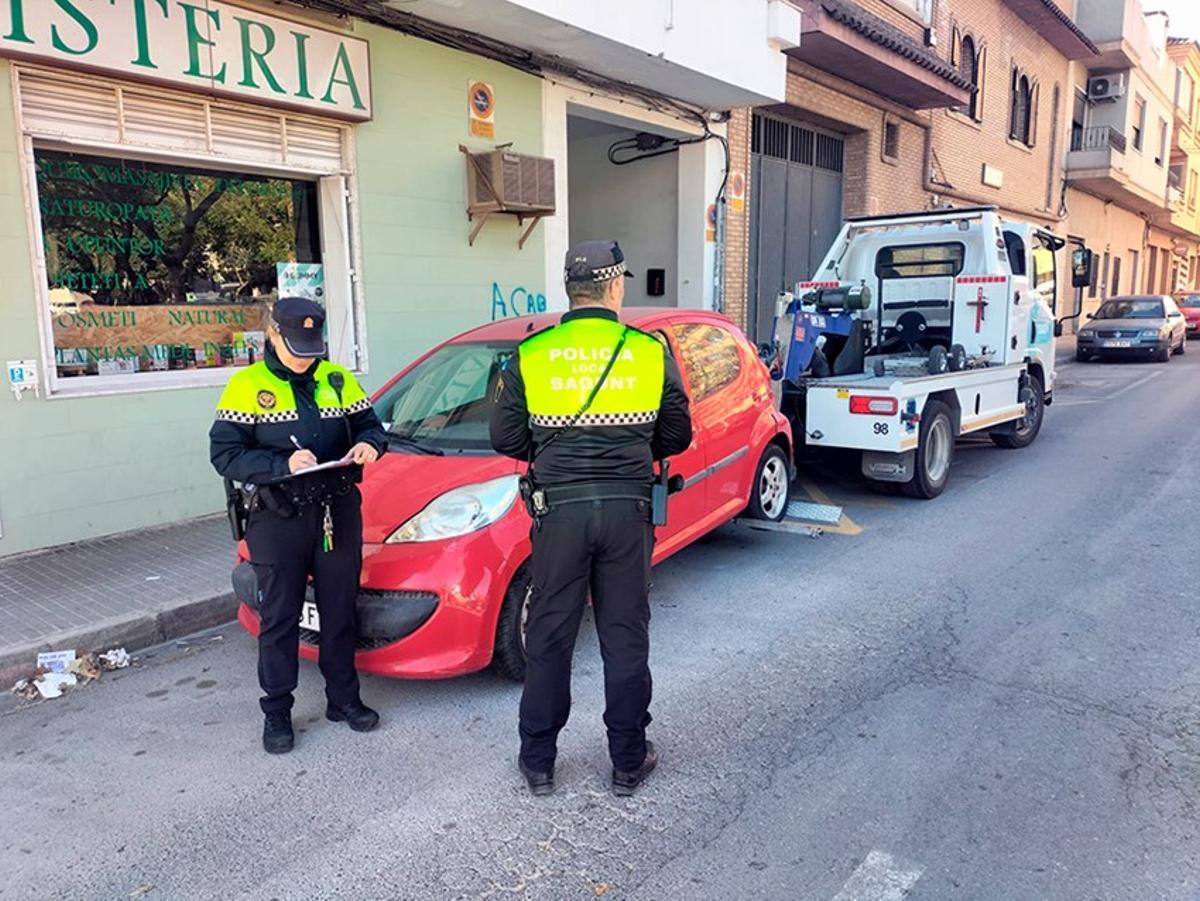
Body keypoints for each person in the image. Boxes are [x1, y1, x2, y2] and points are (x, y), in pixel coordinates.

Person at [490, 241, 693, 797]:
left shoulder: (533, 352)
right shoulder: (647, 351)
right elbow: (678, 435)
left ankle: (538, 761)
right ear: (614, 288)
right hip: (628, 511)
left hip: (558, 513)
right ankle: (628, 760)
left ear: (570, 291)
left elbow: (505, 437)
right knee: (624, 635)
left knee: (550, 633)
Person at [209, 297, 387, 754]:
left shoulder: (336, 378)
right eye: (296, 348)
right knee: (280, 618)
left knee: (340, 609)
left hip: (337, 511)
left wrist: (369, 444)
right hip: (279, 516)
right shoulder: (247, 386)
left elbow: (371, 425)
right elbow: (225, 454)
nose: (306, 357)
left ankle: (343, 700)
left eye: (312, 347)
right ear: (272, 336)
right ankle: (277, 713)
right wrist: (280, 461)